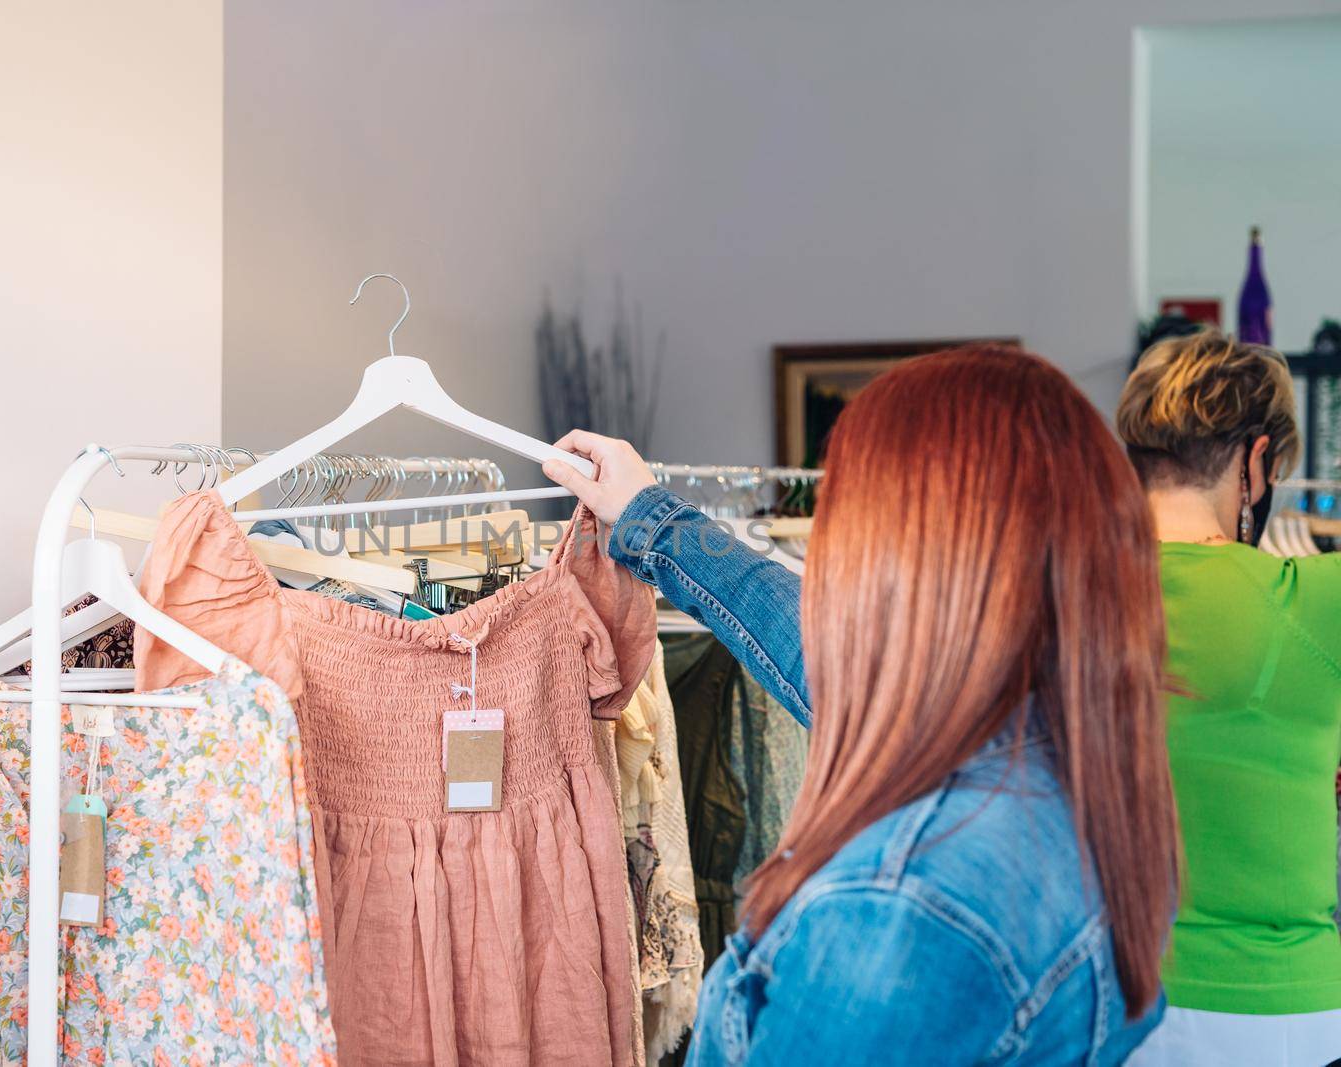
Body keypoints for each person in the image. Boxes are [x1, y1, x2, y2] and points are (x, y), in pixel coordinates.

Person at [543, 345, 1178, 1064]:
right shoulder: (1060, 760)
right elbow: (803, 639)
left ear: (899, 564)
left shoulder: (900, 909)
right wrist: (652, 521)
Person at [1116, 330, 1341, 1066]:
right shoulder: (1312, 600)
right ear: (1256, 462)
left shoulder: (1064, 599)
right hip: (1283, 1014)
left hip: (1115, 1002)